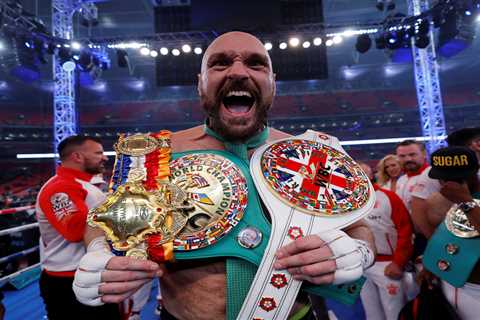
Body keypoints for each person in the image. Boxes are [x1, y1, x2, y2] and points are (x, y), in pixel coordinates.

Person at [72, 31, 376, 320]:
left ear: (273, 82)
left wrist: (359, 252)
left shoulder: (314, 155)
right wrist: (98, 252)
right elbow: (106, 223)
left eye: (256, 63)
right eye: (220, 63)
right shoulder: (154, 154)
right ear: (201, 83)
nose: (238, 72)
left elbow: (359, 226)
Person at [35, 135, 121, 319]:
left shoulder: (84, 184)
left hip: (88, 271)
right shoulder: (61, 188)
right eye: (98, 153)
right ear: (77, 157)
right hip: (69, 278)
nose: (104, 157)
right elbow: (76, 231)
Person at [422, 146, 480, 320]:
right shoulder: (447, 197)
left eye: (455, 178)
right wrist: (431, 262)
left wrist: (466, 202)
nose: (447, 184)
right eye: (443, 178)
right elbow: (452, 232)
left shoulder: (462, 197)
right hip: (451, 281)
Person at [359, 162, 413, 320]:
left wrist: (398, 262)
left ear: (371, 175)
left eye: (363, 174)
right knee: (371, 313)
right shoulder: (346, 202)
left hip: (387, 265)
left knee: (395, 312)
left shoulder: (388, 197)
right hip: (362, 264)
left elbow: (405, 231)